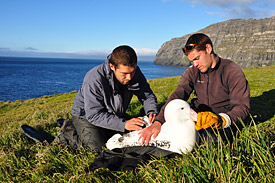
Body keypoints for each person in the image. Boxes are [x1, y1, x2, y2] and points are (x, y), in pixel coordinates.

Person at [139, 33, 250, 146]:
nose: (195, 64)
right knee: (161, 129)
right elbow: (177, 96)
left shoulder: (231, 70)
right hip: (198, 116)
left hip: (221, 119)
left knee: (211, 140)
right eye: (192, 61)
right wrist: (158, 122)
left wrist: (222, 120)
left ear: (208, 48)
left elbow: (242, 107)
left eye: (197, 58)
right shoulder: (192, 71)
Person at [69, 45, 158, 151]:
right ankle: (68, 133)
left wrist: (151, 111)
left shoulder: (134, 73)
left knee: (139, 133)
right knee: (98, 149)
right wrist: (124, 124)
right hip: (86, 116)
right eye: (124, 74)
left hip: (114, 114)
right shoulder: (94, 78)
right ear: (112, 66)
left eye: (132, 72)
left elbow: (147, 95)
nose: (129, 78)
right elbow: (93, 115)